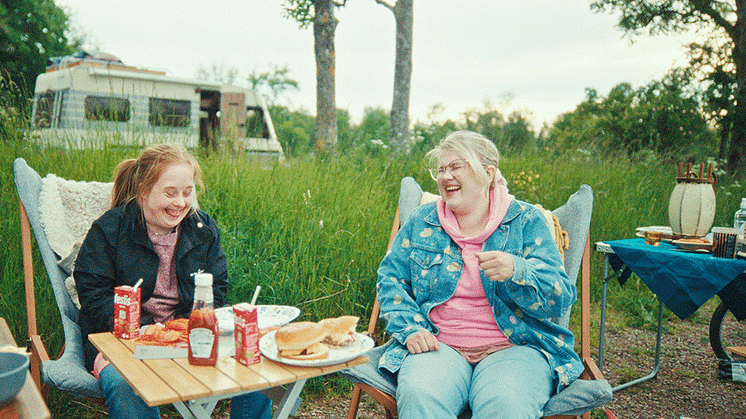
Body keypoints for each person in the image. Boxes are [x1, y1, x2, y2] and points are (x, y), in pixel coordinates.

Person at [376, 131, 584, 419]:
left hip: (516, 345)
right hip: (439, 343)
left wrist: (518, 270)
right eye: (441, 169)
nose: (445, 176)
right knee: (420, 396)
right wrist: (411, 328)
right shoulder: (422, 221)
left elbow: (560, 298)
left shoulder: (525, 221)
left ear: (488, 173)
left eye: (456, 166)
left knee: (506, 405)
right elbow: (391, 279)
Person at [74, 144, 271, 419]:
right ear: (143, 190)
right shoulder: (110, 229)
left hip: (188, 335)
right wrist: (144, 330)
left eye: (187, 192)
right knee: (125, 384)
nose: (180, 202)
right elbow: (93, 294)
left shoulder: (203, 229)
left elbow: (218, 288)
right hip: (120, 338)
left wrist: (188, 330)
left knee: (253, 361)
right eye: (170, 193)